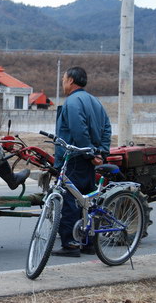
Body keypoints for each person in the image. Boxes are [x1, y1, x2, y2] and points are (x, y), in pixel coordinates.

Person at [51, 66, 111, 257]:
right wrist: (100, 152)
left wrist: (88, 153)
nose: (62, 82)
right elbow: (107, 128)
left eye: (63, 78)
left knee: (69, 200)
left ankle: (70, 243)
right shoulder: (95, 101)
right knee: (87, 201)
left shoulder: (73, 102)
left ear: (70, 80)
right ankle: (88, 243)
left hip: (76, 159)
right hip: (89, 161)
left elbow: (78, 130)